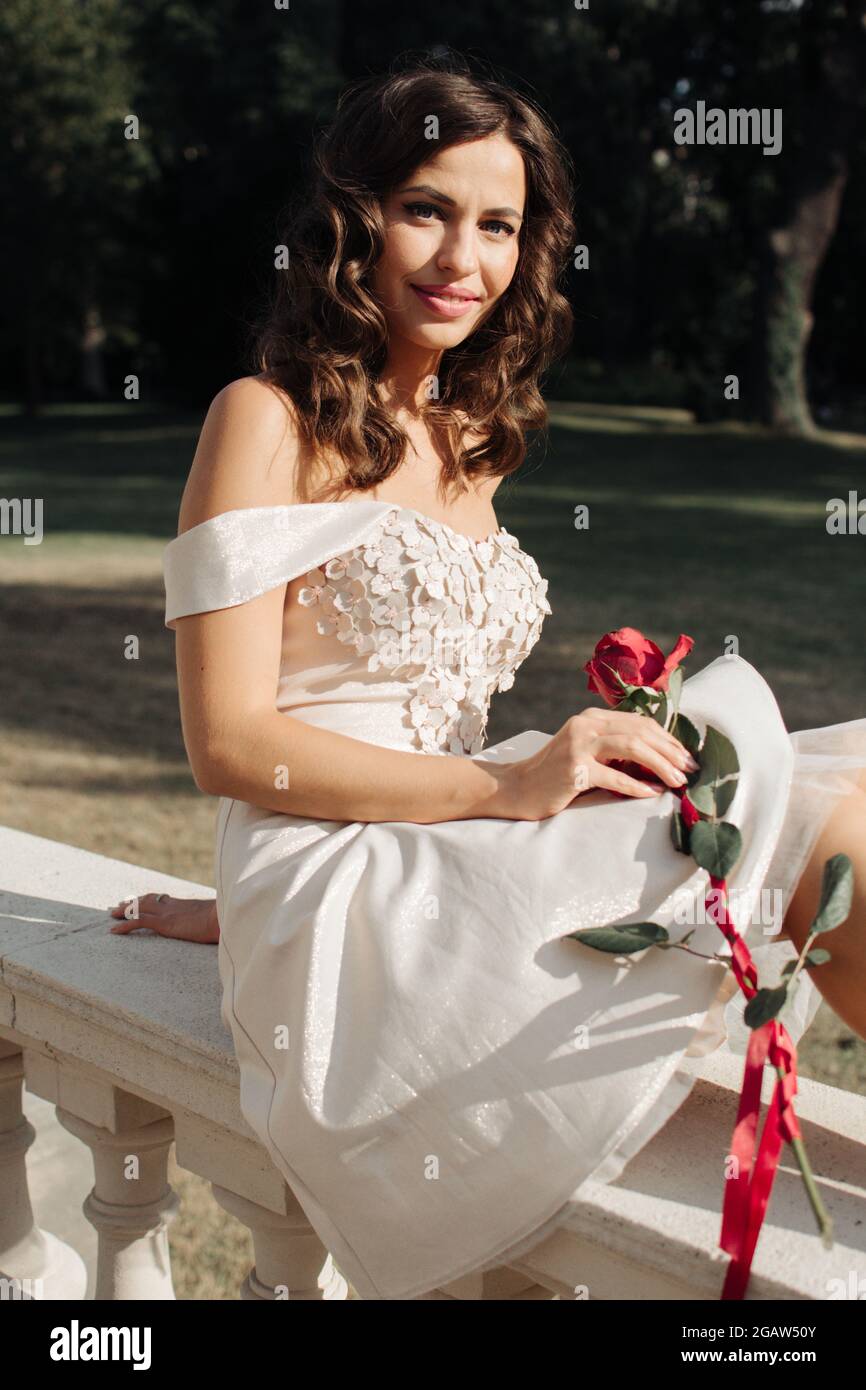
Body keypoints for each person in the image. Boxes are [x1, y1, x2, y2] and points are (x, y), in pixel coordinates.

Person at [109, 55, 866, 1300]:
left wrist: (524, 782)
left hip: (449, 819)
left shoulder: (472, 436)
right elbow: (232, 745)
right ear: (354, 219)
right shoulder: (263, 417)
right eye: (425, 208)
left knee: (843, 773)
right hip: (350, 872)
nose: (462, 254)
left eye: (498, 224)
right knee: (822, 826)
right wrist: (498, 798)